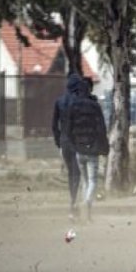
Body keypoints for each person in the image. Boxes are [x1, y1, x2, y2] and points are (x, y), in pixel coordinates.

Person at [66, 78, 109, 222]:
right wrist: (104, 148)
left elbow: (68, 129)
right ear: (89, 89)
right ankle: (87, 204)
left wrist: (74, 144)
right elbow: (101, 128)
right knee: (92, 181)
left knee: (85, 181)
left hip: (79, 150)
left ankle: (86, 215)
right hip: (92, 149)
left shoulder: (74, 106)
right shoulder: (94, 106)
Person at [52, 73, 83, 220]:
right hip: (77, 143)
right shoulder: (79, 101)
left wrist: (59, 142)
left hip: (64, 143)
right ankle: (74, 204)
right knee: (77, 173)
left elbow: (54, 125)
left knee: (72, 173)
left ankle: (73, 203)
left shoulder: (59, 101)